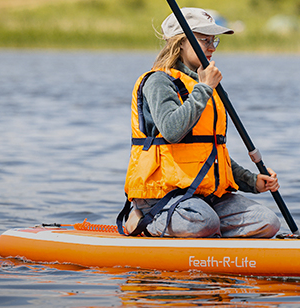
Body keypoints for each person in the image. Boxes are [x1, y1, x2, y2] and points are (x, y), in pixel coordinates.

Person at [120, 7, 281, 238]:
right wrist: (204, 89)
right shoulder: (159, 82)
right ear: (180, 43)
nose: (212, 47)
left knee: (268, 222)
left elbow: (210, 152)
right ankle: (142, 220)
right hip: (165, 197)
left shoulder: (203, 85)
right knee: (203, 222)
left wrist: (252, 181)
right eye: (203, 40)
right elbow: (172, 131)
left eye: (213, 40)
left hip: (205, 198)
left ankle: (207, 234)